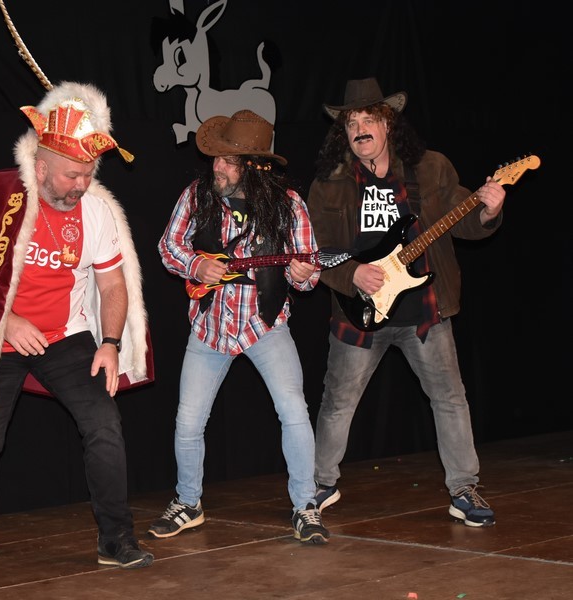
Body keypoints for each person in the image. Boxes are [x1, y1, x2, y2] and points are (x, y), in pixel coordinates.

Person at [0, 81, 154, 573]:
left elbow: (113, 285)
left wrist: (111, 343)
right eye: (72, 175)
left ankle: (117, 539)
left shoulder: (96, 211)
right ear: (42, 167)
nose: (82, 185)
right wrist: (5, 323)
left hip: (65, 337)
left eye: (88, 174)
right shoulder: (0, 198)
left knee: (105, 426)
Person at [307, 77, 503, 527]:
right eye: (351, 123)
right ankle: (318, 484)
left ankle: (464, 489)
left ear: (388, 123)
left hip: (425, 312)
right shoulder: (328, 185)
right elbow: (315, 251)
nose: (360, 130)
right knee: (337, 403)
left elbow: (466, 221)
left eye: (368, 119)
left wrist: (489, 210)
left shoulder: (430, 169)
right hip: (360, 311)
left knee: (450, 399)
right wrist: (351, 274)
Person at [153, 109, 330, 544]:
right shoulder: (197, 195)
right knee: (188, 420)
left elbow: (306, 274)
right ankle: (188, 502)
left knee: (294, 411)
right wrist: (196, 265)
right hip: (210, 326)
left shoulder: (289, 205)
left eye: (229, 161)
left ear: (254, 167)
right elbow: (168, 246)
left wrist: (304, 275)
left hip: (263, 324)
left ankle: (306, 505)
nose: (217, 166)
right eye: (216, 157)